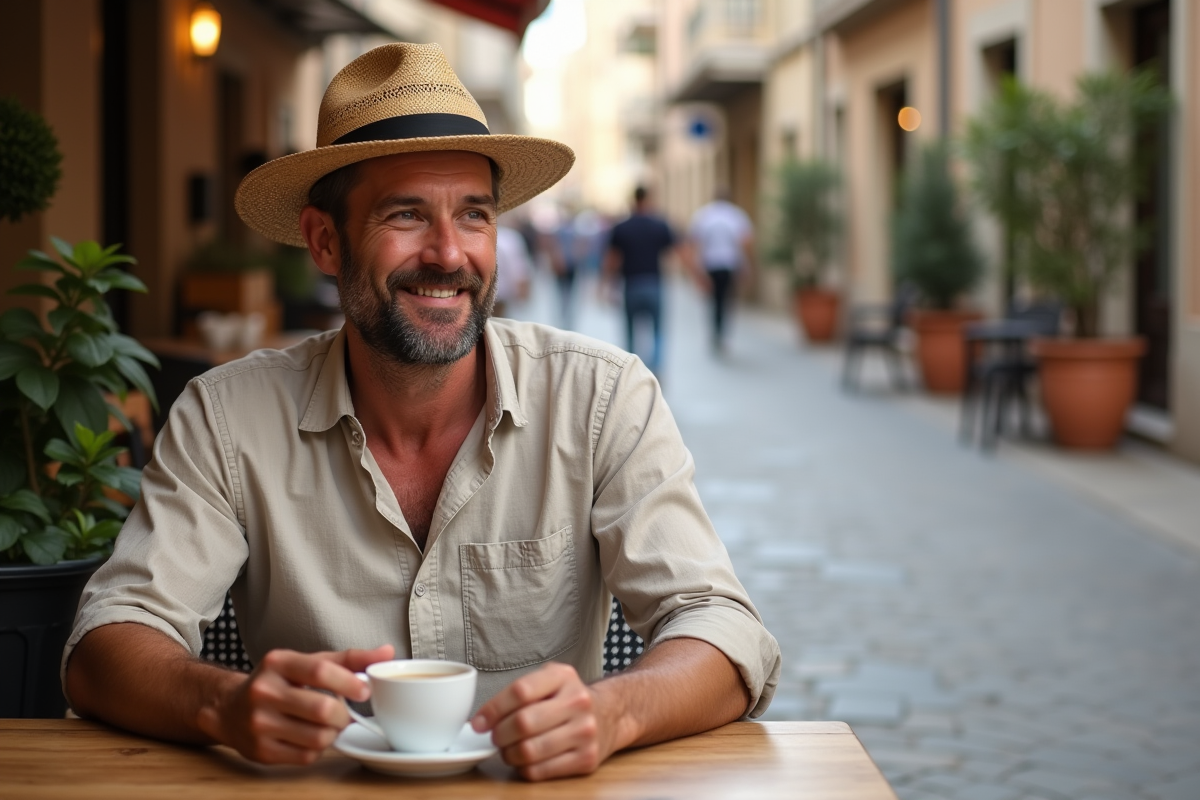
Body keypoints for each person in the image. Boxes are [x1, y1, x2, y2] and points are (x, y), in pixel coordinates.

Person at [62, 43, 779, 782]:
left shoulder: (600, 398)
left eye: (474, 215)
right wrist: (224, 705)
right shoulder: (227, 416)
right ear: (325, 241)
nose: (448, 254)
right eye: (405, 214)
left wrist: (614, 714)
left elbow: (722, 628)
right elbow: (107, 642)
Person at [602, 187, 678, 374]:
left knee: (630, 329)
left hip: (631, 284)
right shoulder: (659, 225)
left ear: (634, 200)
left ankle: (631, 370)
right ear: (649, 199)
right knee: (657, 328)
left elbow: (612, 259)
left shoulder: (622, 227)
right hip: (653, 283)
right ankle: (656, 367)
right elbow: (676, 252)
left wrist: (606, 285)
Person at [688, 188, 755, 354]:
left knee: (714, 300)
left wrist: (697, 269)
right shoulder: (737, 215)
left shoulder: (704, 215)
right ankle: (722, 334)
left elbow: (696, 243)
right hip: (729, 264)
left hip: (710, 264)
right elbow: (745, 242)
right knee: (726, 300)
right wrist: (746, 265)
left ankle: (715, 332)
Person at [492, 222, 532, 318]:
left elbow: (519, 270)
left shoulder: (508, 238)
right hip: (501, 295)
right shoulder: (509, 238)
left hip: (498, 294)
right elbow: (519, 271)